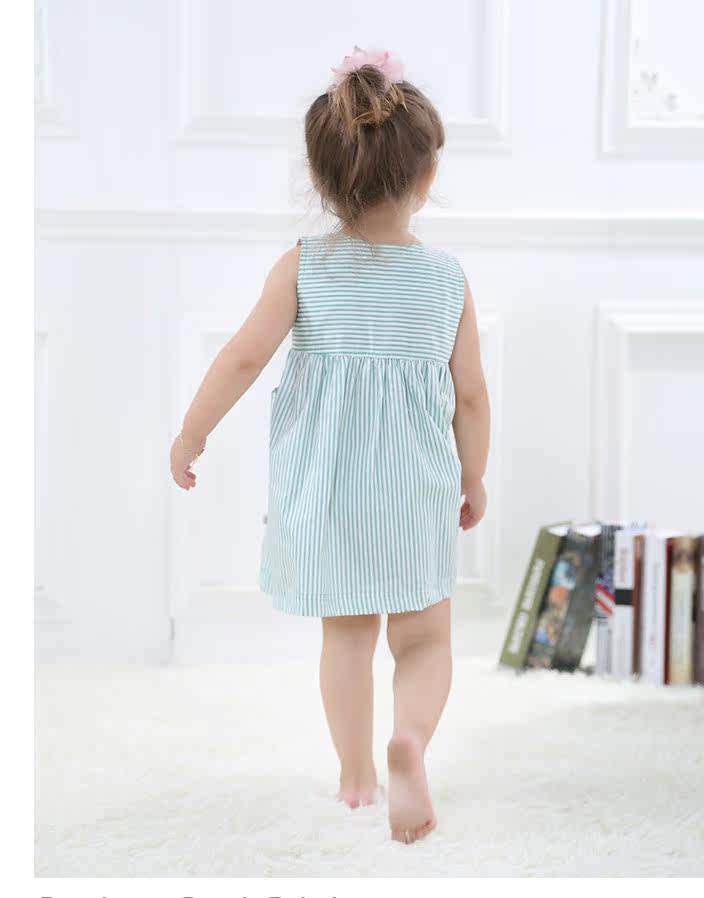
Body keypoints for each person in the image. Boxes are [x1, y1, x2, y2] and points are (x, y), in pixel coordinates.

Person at [169, 47, 490, 845]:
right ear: (426, 177)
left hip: (329, 492)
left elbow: (242, 358)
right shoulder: (446, 280)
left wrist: (193, 432)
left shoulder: (304, 267)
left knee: (347, 635)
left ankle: (355, 777)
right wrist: (474, 477)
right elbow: (472, 397)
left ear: (321, 180)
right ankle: (409, 738)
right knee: (424, 638)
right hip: (415, 491)